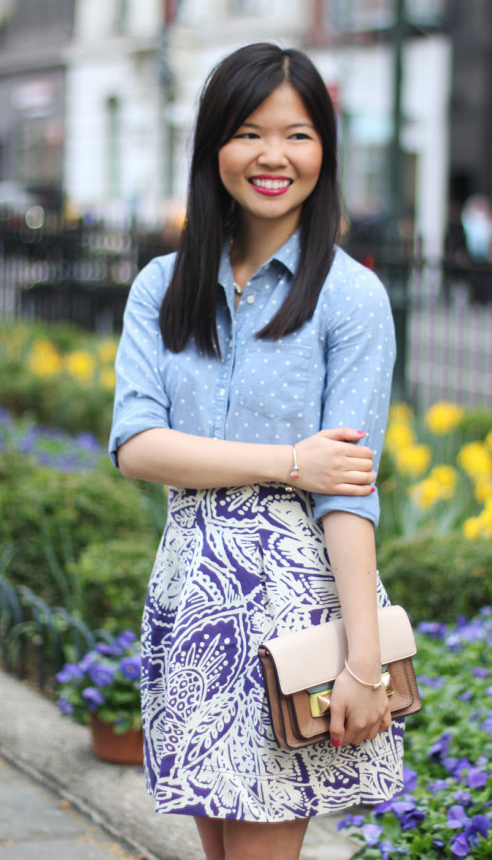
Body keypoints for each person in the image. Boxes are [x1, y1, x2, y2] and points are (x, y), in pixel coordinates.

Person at [109, 43, 402, 860]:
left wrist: (365, 665)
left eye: (298, 135)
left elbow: (345, 491)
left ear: (325, 152)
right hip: (189, 603)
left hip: (295, 616)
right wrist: (286, 463)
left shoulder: (349, 297)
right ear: (214, 149)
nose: (273, 156)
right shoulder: (163, 288)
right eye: (248, 132)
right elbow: (137, 445)